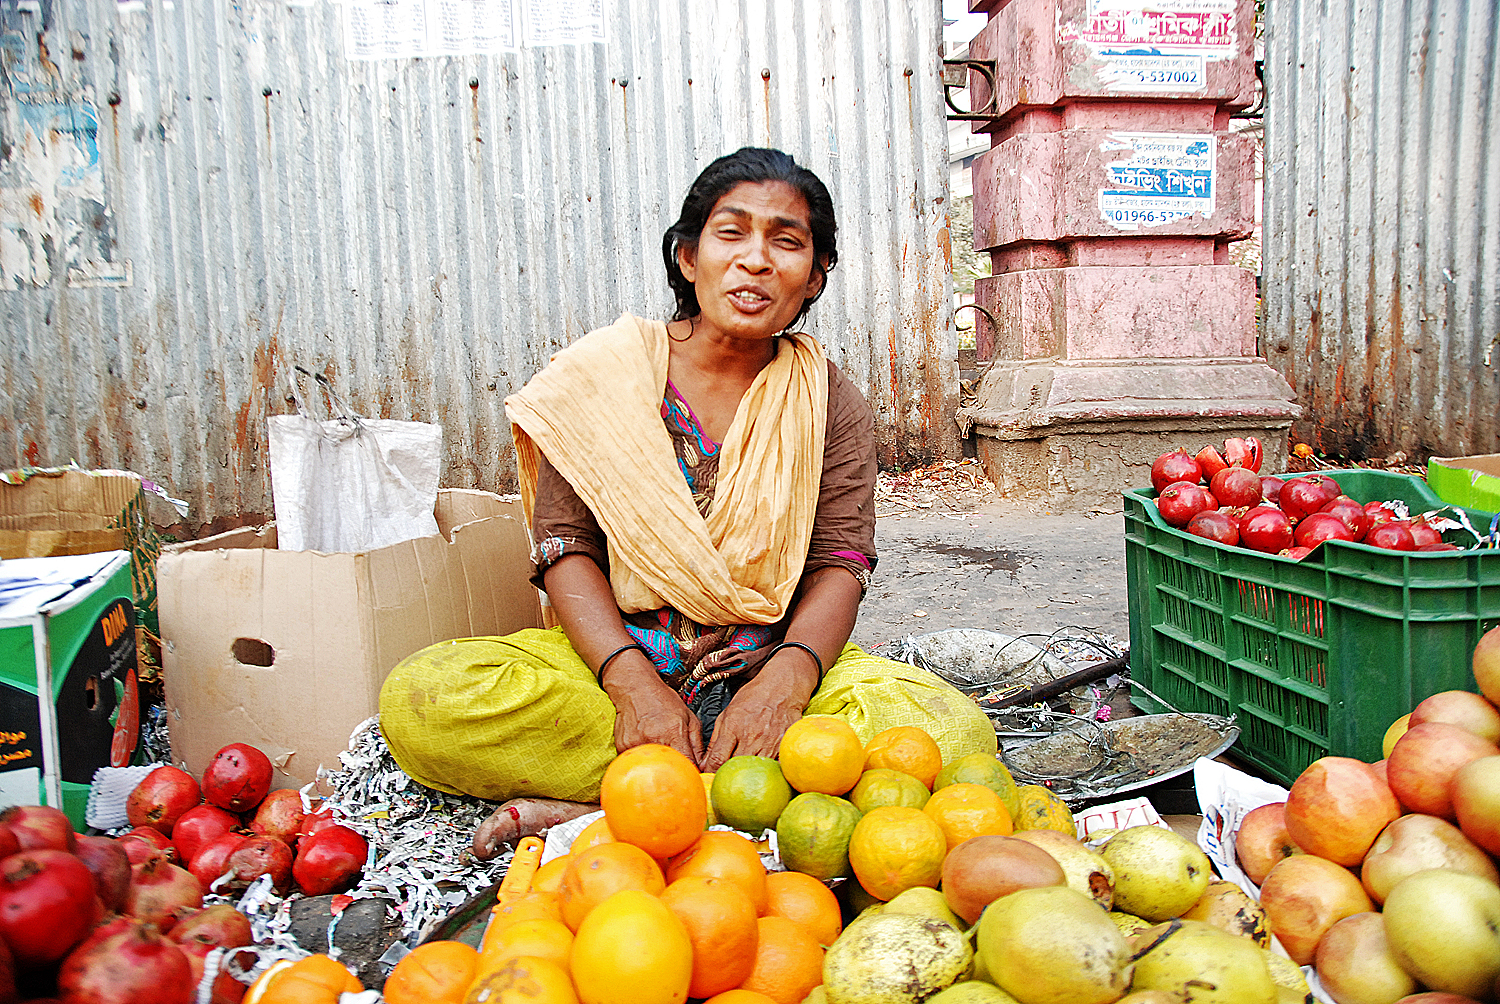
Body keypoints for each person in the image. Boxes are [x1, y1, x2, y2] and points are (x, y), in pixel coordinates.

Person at [377, 148, 996, 858]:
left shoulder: (826, 397)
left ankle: (644, 800)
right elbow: (561, 548)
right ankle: (734, 792)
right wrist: (631, 682)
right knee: (426, 696)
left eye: (786, 242)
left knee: (951, 731)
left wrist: (787, 684)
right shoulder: (604, 375)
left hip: (767, 664)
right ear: (687, 256)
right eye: (731, 233)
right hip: (611, 670)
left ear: (814, 277)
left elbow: (841, 561)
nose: (756, 261)